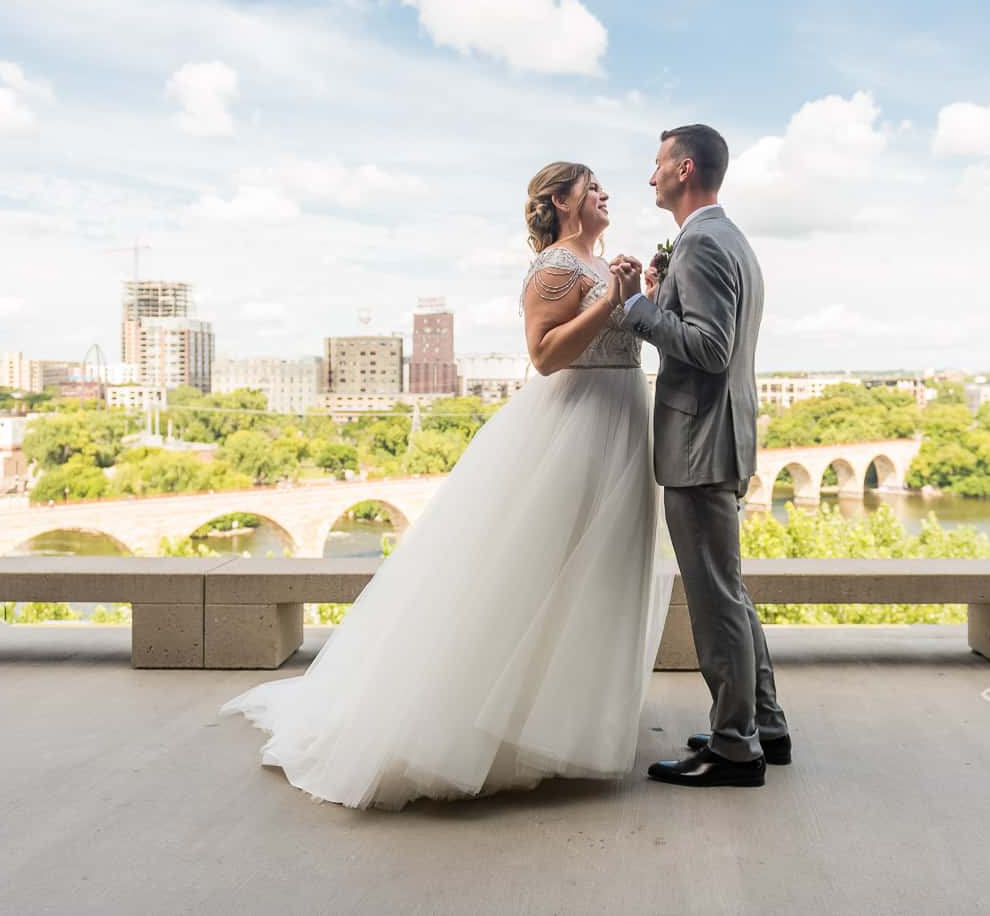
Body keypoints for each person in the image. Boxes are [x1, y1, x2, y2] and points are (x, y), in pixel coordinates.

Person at [220, 161, 671, 810]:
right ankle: (496, 730)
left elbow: (626, 335)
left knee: (597, 576)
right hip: (576, 429)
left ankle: (568, 728)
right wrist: (609, 303)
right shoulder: (556, 268)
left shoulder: (605, 266)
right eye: (592, 187)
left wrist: (641, 293)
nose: (605, 194)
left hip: (623, 423)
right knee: (539, 572)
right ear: (564, 203)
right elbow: (544, 356)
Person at [612, 123, 791, 789]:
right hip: (721, 435)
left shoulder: (704, 242)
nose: (651, 176)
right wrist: (663, 298)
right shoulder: (725, 238)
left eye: (658, 163)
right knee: (729, 592)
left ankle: (734, 746)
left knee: (715, 598)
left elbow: (711, 349)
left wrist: (637, 309)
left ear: (685, 169)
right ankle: (761, 723)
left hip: (701, 442)